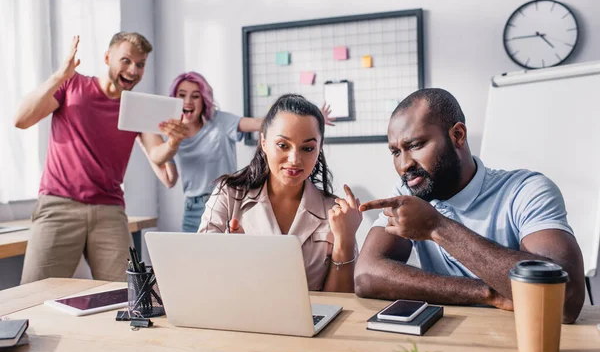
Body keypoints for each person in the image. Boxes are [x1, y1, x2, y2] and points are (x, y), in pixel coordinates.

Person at [354, 88, 585, 323]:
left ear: (458, 135)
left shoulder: (526, 190)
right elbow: (366, 275)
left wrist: (437, 228)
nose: (404, 165)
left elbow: (566, 301)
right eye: (395, 152)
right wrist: (488, 293)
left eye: (415, 145)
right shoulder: (410, 190)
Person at [15, 33, 188, 284]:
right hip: (58, 206)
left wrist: (173, 141)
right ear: (108, 58)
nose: (133, 70)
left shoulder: (137, 105)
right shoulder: (72, 85)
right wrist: (59, 76)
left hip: (109, 210)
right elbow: (21, 120)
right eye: (126, 60)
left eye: (140, 64)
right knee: (32, 296)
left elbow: (156, 154)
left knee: (126, 296)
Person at [198, 94, 361, 292]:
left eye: (307, 148)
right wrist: (232, 257)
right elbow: (203, 277)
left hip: (311, 321)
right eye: (283, 145)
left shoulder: (335, 211)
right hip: (241, 318)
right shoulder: (228, 195)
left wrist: (345, 240)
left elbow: (340, 302)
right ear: (264, 143)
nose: (294, 159)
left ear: (319, 149)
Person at [148, 71, 333, 233]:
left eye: (195, 96)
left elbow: (261, 124)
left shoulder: (220, 122)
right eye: (182, 95)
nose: (188, 101)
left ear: (203, 99)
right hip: (193, 206)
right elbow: (162, 167)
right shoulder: (170, 130)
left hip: (227, 201)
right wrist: (171, 142)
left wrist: (309, 121)